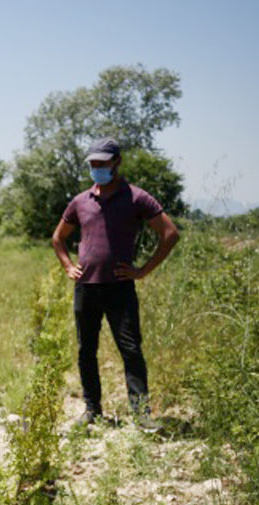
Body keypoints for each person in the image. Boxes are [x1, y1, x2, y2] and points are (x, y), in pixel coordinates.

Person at [51, 137, 180, 429]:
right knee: (86, 350)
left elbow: (170, 233)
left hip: (120, 287)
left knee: (131, 349)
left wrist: (143, 270)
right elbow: (58, 238)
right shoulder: (81, 201)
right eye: (93, 163)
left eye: (103, 163)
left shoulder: (136, 197)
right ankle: (91, 410)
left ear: (117, 162)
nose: (97, 168)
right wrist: (69, 265)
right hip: (87, 287)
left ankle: (141, 414)